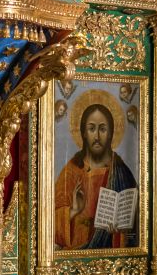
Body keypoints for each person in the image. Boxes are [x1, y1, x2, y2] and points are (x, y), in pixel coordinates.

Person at [55, 101, 137, 249]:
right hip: (75, 256)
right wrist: (73, 210)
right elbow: (48, 225)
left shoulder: (122, 172)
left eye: (103, 129)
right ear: (84, 133)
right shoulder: (71, 171)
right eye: (92, 129)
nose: (97, 136)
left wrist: (121, 232)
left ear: (111, 132)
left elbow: (138, 225)